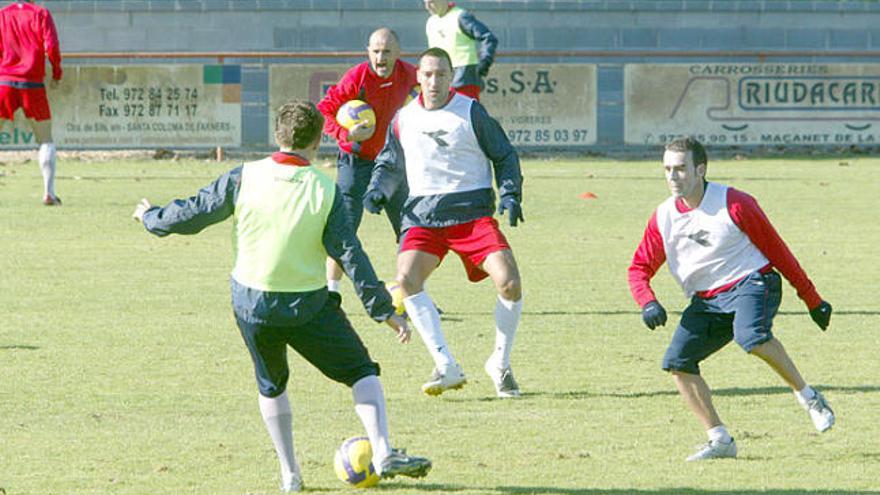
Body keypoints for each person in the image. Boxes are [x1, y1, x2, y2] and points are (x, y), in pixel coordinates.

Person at [132, 100, 431, 492]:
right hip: (307, 306)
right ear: (320, 140)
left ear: (278, 135)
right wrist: (382, 311)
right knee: (360, 371)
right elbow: (349, 254)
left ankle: (290, 474)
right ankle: (383, 449)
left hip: (252, 305)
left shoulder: (245, 177)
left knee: (271, 385)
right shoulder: (326, 191)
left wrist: (151, 217)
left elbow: (195, 213)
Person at [627, 137, 836, 461]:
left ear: (701, 169)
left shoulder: (734, 203)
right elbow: (638, 268)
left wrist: (812, 299)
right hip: (707, 301)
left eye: (681, 169)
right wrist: (647, 301)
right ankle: (720, 440)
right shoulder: (663, 217)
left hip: (752, 281)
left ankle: (809, 397)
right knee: (677, 364)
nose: (673, 176)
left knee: (750, 337)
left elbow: (778, 251)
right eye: (667, 169)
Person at [364, 47, 524, 398]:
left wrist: (510, 193)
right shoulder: (404, 118)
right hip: (424, 214)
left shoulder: (471, 112)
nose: (433, 81)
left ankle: (500, 363)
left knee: (510, 283)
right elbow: (390, 163)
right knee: (406, 279)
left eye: (441, 74)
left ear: (451, 77)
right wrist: (377, 189)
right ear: (417, 77)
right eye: (427, 74)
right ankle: (445, 364)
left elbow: (504, 154)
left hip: (472, 213)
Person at [317, 28, 417, 294]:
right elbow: (324, 111)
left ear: (398, 53)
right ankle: (331, 294)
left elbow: (440, 92)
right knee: (344, 225)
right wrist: (346, 133)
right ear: (368, 52)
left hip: (391, 162)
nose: (380, 57)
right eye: (375, 51)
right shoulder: (356, 77)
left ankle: (413, 294)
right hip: (355, 159)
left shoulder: (411, 75)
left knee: (410, 228)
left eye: (386, 51)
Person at [0, 0, 62, 205]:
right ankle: (49, 193)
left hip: (4, 83)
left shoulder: (3, 14)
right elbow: (51, 45)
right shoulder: (41, 13)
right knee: (45, 139)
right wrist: (56, 73)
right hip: (32, 84)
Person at [424, 0, 497, 100]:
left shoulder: (461, 16)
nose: (427, 6)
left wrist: (484, 63)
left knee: (468, 113)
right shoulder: (431, 22)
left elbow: (488, 38)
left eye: (431, 2)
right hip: (442, 79)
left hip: (465, 78)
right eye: (425, 2)